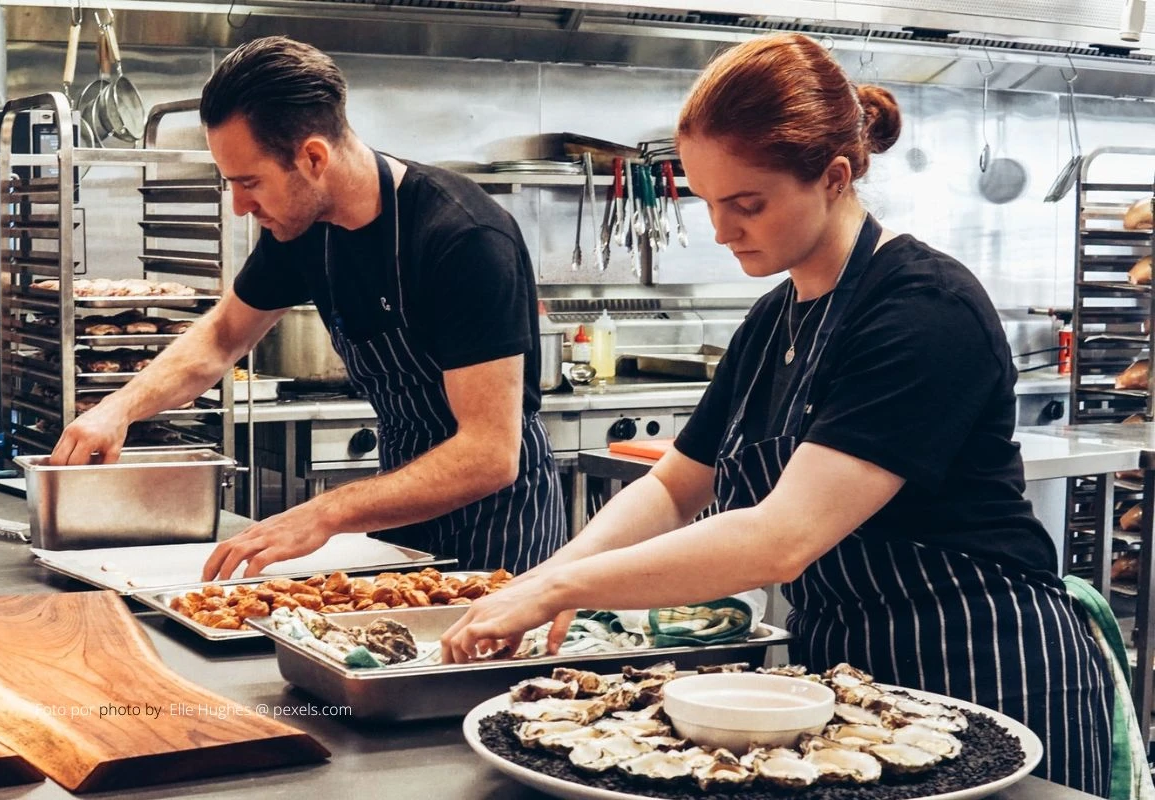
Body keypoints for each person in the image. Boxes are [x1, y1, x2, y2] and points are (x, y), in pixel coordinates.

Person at [441, 33, 1115, 796]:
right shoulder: (772, 321)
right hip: (843, 690)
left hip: (984, 666)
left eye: (747, 204)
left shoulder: (924, 309)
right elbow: (671, 489)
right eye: (708, 204)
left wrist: (565, 590)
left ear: (833, 178)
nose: (723, 231)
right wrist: (549, 575)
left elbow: (781, 539)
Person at [50, 36, 566, 579]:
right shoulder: (303, 231)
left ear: (313, 157)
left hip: (501, 531)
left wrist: (325, 512)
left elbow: (489, 454)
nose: (241, 206)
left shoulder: (462, 237)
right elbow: (223, 336)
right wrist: (117, 409)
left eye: (250, 183)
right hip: (399, 510)